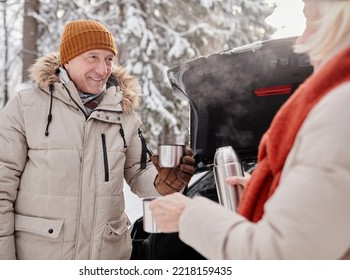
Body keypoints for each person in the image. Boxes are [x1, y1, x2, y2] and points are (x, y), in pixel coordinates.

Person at [0, 19, 195, 260]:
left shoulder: (125, 114)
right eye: (92, 57)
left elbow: (139, 172)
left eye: (108, 59)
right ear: (67, 59)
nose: (103, 69)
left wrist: (164, 183)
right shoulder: (26, 108)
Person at [149, 0, 350, 259]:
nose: (302, 42)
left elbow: (278, 258)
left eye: (311, 21)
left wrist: (187, 216)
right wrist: (268, 193)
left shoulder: (341, 108)